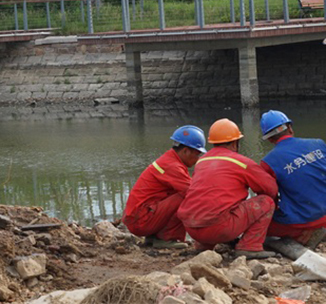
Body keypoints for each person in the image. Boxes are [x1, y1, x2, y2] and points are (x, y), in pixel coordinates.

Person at [177, 118, 278, 259]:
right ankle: (250, 246)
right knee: (266, 202)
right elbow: (270, 189)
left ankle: (203, 246)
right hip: (219, 228)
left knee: (209, 205)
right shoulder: (241, 162)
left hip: (192, 228)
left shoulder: (202, 161)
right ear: (235, 142)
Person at [122, 126, 207, 248]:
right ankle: (167, 238)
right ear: (186, 151)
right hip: (140, 221)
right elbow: (194, 193)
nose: (197, 159)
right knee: (187, 197)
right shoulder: (172, 166)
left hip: (138, 218)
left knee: (181, 194)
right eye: (197, 154)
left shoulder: (169, 160)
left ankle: (154, 237)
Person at [260, 110, 326, 249]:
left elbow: (269, 197)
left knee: (259, 224)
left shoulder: (268, 163)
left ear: (270, 139)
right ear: (290, 128)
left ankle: (307, 231)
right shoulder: (318, 144)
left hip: (302, 222)